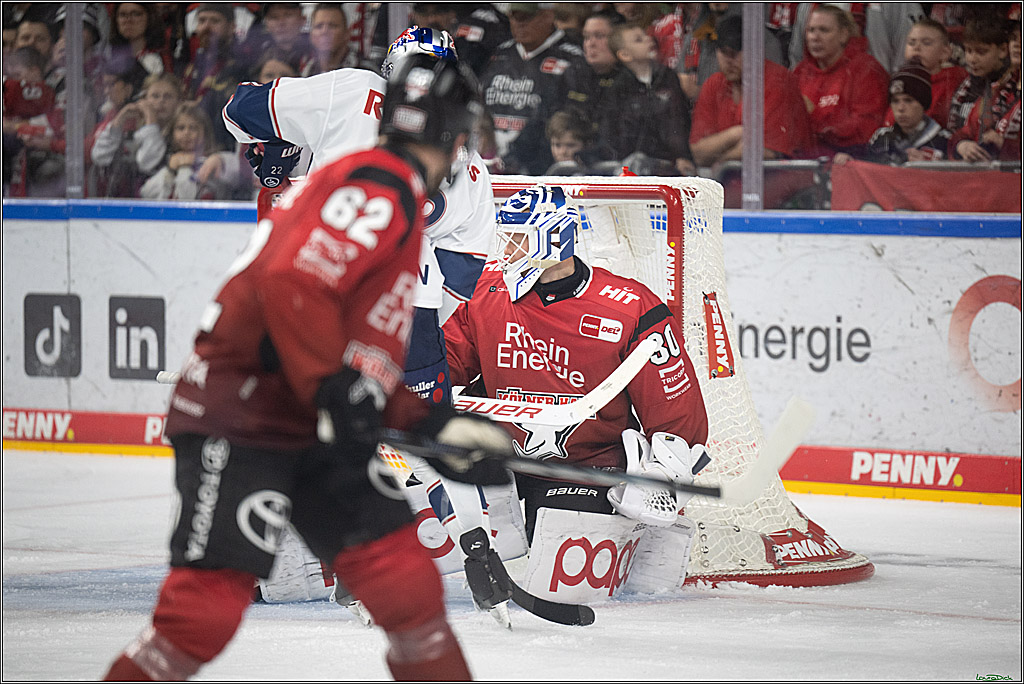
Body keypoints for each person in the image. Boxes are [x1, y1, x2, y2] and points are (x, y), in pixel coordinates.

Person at [100, 53, 508, 682]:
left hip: (303, 414)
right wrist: (332, 390)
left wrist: (429, 422)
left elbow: (353, 354)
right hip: (241, 415)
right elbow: (294, 286)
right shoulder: (380, 186)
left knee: (404, 584)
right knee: (201, 613)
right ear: (455, 139)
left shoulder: (384, 189)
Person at [223, 26, 508, 620]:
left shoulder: (351, 90)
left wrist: (276, 153)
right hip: (407, 311)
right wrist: (418, 313)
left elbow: (240, 108)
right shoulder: (469, 154)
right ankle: (479, 549)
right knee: (424, 436)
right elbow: (463, 271)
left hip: (316, 300)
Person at [441, 183, 712, 604]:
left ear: (554, 240)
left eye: (519, 239)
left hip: (584, 469)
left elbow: (674, 404)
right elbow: (444, 365)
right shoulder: (484, 292)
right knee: (421, 520)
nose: (507, 249)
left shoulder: (629, 305)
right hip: (498, 459)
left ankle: (642, 539)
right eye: (506, 236)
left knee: (562, 587)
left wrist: (664, 473)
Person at [689, 14, 811, 168]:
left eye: (735, 53)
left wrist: (721, 162)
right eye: (723, 52)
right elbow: (698, 153)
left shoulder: (779, 81)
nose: (729, 60)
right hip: (731, 178)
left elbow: (767, 152)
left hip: (781, 178)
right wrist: (737, 134)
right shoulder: (713, 84)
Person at [480, 2, 588, 174]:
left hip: (541, 164)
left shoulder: (572, 57)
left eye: (526, 17)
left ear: (548, 15)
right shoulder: (500, 54)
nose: (519, 23)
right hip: (491, 162)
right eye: (514, 17)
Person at [598, 21, 695, 175]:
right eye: (639, 40)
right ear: (625, 55)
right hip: (631, 167)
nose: (648, 40)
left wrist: (682, 155)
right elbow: (612, 132)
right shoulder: (618, 88)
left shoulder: (668, 77)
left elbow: (678, 120)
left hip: (669, 164)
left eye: (645, 36)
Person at [792, 4, 890, 156]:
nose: (814, 37)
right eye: (810, 30)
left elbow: (865, 130)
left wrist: (814, 115)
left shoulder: (866, 70)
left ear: (844, 35)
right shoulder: (800, 72)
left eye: (824, 30)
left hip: (848, 162)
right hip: (801, 161)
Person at [835, 59, 953, 165]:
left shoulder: (945, 141)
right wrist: (850, 162)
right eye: (895, 101)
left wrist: (929, 167)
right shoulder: (881, 137)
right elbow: (866, 169)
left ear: (923, 104)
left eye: (908, 100)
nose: (900, 108)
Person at [90, 72, 184, 198]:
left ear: (178, 102)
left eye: (168, 97)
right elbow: (99, 156)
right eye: (155, 96)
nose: (161, 101)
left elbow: (148, 163)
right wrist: (119, 120)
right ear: (144, 100)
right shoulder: (131, 128)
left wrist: (150, 120)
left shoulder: (183, 135)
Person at [949, 19, 1021, 162]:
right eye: (1014, 38)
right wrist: (962, 145)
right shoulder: (999, 88)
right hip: (986, 174)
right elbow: (966, 131)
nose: (1017, 44)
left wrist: (1004, 144)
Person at [139, 103, 243, 200]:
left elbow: (188, 198)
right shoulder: (166, 161)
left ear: (205, 132)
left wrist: (186, 168)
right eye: (181, 128)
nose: (186, 133)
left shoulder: (216, 162)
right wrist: (170, 170)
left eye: (193, 128)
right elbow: (146, 193)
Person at [182, 3, 248, 152]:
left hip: (224, 147)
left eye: (215, 21)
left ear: (232, 27)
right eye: (202, 21)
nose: (207, 27)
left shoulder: (242, 64)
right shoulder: (195, 61)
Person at [882, 18, 967, 131]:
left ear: (945, 53)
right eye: (911, 43)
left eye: (926, 43)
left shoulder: (954, 83)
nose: (916, 47)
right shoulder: (900, 81)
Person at [946, 18, 1011, 137]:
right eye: (969, 51)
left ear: (1002, 50)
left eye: (981, 52)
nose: (972, 59)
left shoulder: (1011, 87)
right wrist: (959, 143)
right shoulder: (966, 85)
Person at [302, 3, 377, 76]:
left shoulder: (366, 73)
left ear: (346, 34)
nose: (324, 31)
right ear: (311, 35)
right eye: (319, 26)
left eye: (332, 26)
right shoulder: (307, 72)